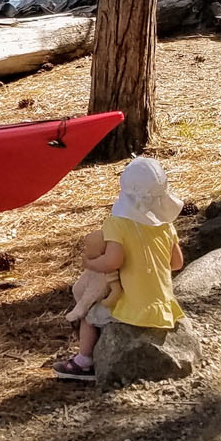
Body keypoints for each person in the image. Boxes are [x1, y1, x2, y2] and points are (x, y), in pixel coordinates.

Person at [53, 156, 186, 381]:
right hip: (164, 306)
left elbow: (112, 261)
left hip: (135, 308)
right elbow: (177, 263)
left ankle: (84, 362)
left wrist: (90, 263)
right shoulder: (166, 225)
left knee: (89, 314)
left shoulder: (117, 224)